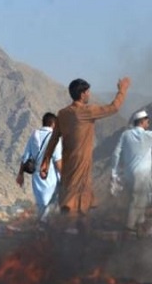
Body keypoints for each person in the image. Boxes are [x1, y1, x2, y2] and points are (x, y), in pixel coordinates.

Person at [40, 77, 131, 234]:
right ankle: (70, 239)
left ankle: (69, 238)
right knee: (77, 206)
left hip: (68, 166)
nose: (89, 94)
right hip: (81, 165)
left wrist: (46, 161)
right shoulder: (85, 112)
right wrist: (122, 90)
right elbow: (114, 107)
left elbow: (53, 140)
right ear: (82, 94)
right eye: (88, 91)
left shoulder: (62, 114)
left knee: (72, 201)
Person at [110, 110, 152, 235]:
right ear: (142, 122)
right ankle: (130, 227)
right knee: (138, 200)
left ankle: (139, 225)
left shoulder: (125, 135)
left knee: (136, 199)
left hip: (128, 174)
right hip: (142, 175)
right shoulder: (148, 135)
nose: (148, 123)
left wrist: (114, 171)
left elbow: (116, 153)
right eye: (147, 121)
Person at [16, 112, 63, 225]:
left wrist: (20, 174)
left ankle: (41, 230)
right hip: (51, 177)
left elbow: (25, 157)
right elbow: (58, 162)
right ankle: (46, 233)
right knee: (51, 207)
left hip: (37, 178)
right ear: (53, 124)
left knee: (41, 206)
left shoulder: (34, 135)